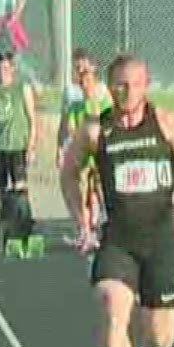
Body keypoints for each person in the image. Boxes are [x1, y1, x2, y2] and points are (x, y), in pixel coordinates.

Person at [58, 54, 174, 347]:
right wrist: (82, 220)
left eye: (134, 84)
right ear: (109, 88)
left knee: (162, 339)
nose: (127, 92)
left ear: (146, 85)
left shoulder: (166, 124)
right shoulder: (96, 131)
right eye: (120, 85)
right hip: (117, 241)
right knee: (114, 310)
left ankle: (153, 306)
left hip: (160, 243)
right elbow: (68, 173)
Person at [0, 50, 42, 251]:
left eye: (6, 68)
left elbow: (32, 119)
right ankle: (6, 229)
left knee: (19, 189)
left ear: (12, 69)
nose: (2, 72)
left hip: (17, 147)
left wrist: (31, 146)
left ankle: (23, 227)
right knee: (0, 193)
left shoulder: (22, 89)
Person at [56, 49, 112, 246]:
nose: (83, 83)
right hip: (81, 151)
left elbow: (107, 121)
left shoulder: (103, 97)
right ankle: (84, 229)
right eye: (79, 73)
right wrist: (62, 147)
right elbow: (68, 126)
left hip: (99, 149)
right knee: (78, 186)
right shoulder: (74, 102)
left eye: (85, 74)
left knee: (97, 188)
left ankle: (98, 226)